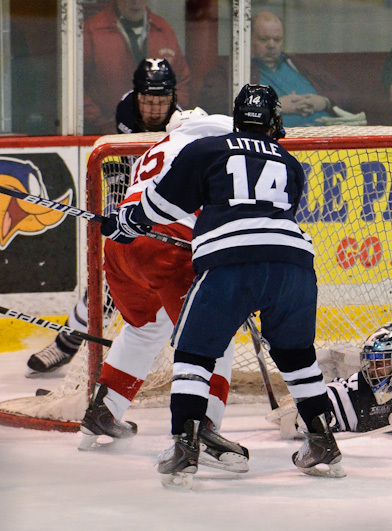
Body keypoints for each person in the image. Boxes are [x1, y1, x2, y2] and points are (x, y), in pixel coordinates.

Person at [101, 84, 345, 488]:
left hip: (230, 262)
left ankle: (186, 446)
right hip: (295, 264)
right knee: (298, 358)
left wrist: (126, 223)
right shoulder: (289, 162)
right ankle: (324, 445)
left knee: (193, 354)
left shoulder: (208, 149)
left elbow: (162, 206)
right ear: (274, 121)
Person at [78, 108, 249, 475]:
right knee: (213, 336)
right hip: (168, 245)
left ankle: (103, 411)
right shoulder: (221, 135)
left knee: (146, 328)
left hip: (122, 248)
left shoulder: (155, 149)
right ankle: (204, 429)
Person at [25, 58, 182, 377]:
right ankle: (67, 344)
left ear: (173, 98)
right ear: (137, 96)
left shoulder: (182, 123)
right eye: (148, 100)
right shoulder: (126, 111)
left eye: (161, 101)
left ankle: (185, 357)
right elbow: (120, 172)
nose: (154, 109)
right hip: (133, 201)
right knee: (111, 277)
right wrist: (118, 213)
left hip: (169, 210)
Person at [84, 0, 191, 134]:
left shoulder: (163, 28)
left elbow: (182, 81)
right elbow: (75, 86)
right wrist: (102, 123)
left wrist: (167, 119)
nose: (135, 2)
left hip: (160, 135)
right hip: (105, 133)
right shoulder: (92, 29)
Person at [249, 11, 364, 127]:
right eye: (263, 39)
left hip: (328, 130)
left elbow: (346, 95)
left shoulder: (297, 64)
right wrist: (275, 105)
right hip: (282, 135)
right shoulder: (243, 70)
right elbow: (240, 111)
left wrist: (325, 102)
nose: (271, 45)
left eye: (277, 39)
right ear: (249, 39)